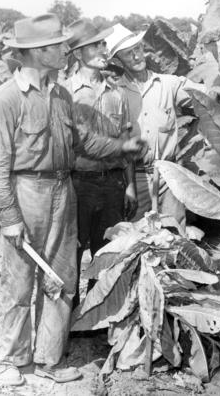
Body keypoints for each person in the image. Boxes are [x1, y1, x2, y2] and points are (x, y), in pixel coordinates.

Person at [0, 14, 144, 386]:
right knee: (19, 281)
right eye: (57, 46)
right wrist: (8, 217)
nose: (63, 51)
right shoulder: (6, 99)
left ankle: (48, 358)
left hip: (63, 190)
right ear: (39, 53)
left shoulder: (60, 95)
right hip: (25, 191)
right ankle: (12, 358)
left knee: (62, 278)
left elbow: (84, 142)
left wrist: (121, 146)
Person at [64, 19, 137, 307]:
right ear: (78, 53)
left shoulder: (116, 94)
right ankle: (70, 317)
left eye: (102, 44)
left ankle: (98, 316)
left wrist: (130, 185)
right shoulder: (65, 91)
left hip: (112, 184)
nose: (102, 49)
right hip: (78, 184)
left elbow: (125, 145)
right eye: (94, 45)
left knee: (106, 253)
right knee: (73, 252)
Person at [104, 23, 204, 226]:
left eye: (138, 49)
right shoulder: (115, 92)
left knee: (174, 238)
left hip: (169, 176)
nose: (136, 56)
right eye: (128, 54)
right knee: (138, 240)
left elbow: (207, 97)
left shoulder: (168, 84)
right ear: (117, 60)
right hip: (135, 178)